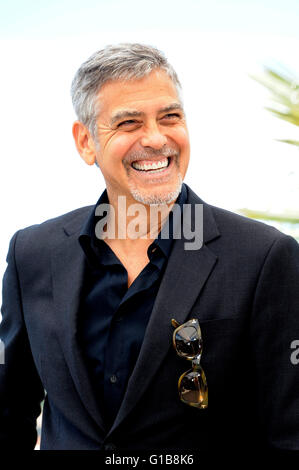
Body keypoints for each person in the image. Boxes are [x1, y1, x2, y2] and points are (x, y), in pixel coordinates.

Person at [0, 43, 299, 452]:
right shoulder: (30, 253)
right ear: (86, 141)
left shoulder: (265, 258)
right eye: (129, 123)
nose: (157, 139)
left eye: (170, 117)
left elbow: (289, 431)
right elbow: (8, 409)